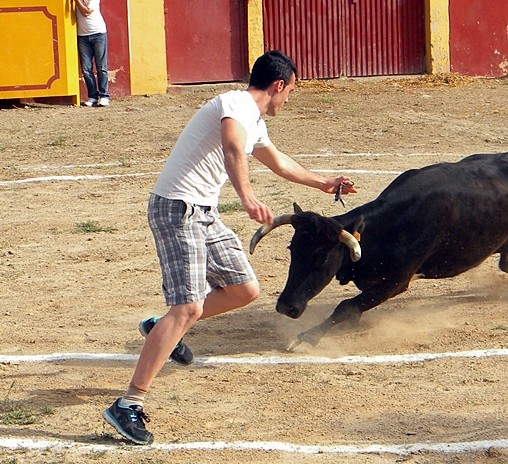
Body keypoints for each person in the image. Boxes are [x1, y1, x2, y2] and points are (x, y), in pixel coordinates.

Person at [102, 50, 357, 445]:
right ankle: (128, 403)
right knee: (187, 307)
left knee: (244, 289)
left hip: (202, 212)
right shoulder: (236, 104)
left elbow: (278, 161)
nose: (289, 99)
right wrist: (248, 197)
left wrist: (323, 183)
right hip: (177, 209)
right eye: (291, 91)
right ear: (278, 85)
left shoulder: (251, 118)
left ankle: (159, 331)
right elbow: (233, 148)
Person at [74, 0, 109, 107]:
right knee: (86, 68)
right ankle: (93, 96)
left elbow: (86, 12)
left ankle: (104, 96)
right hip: (82, 36)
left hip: (98, 34)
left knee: (101, 67)